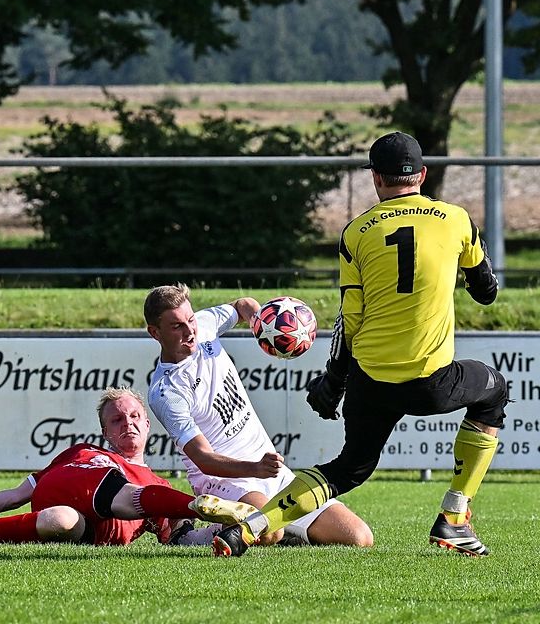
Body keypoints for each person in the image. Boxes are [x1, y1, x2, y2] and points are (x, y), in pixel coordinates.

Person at [212, 131, 506, 558]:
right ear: (422, 174)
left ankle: (250, 529)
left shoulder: (355, 233)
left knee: (348, 469)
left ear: (375, 179)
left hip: (370, 379)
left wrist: (333, 381)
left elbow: (350, 320)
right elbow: (487, 292)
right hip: (431, 381)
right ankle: (455, 517)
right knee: (493, 391)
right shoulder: (456, 219)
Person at [144, 284, 374, 549]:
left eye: (190, 319)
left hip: (271, 473)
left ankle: (282, 531)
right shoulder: (166, 392)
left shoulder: (204, 326)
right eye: (176, 327)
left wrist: (264, 324)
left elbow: (244, 304)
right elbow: (204, 459)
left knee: (359, 538)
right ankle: (186, 536)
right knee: (268, 531)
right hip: (224, 481)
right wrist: (254, 469)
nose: (189, 331)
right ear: (155, 332)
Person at [0, 387, 253, 546]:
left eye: (134, 416)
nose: (126, 423)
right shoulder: (80, 453)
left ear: (147, 424)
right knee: (99, 489)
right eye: (116, 420)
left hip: (83, 525)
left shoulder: (158, 484)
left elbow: (181, 537)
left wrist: (243, 532)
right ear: (104, 432)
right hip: (66, 489)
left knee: (59, 520)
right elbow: (16, 495)